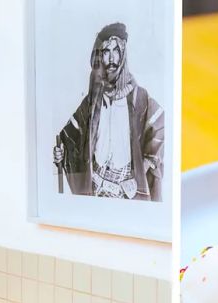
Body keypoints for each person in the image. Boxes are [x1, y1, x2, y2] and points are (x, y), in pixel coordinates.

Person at [53, 22, 164, 201]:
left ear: (123, 54)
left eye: (116, 50)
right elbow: (71, 136)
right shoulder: (93, 99)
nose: (111, 58)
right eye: (106, 52)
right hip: (96, 189)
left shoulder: (139, 97)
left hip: (127, 193)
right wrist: (61, 153)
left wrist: (143, 167)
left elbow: (160, 128)